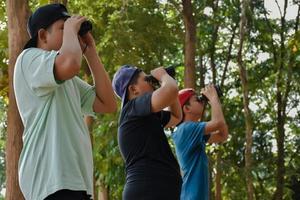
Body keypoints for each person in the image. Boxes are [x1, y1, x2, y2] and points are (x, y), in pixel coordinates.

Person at [14, 3, 117, 200]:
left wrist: (91, 52)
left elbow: (108, 104)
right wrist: (72, 29)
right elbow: (70, 63)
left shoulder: (68, 80)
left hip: (75, 181)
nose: (73, 32)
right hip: (50, 180)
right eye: (64, 27)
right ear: (43, 36)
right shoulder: (29, 58)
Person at [112, 65, 183, 200]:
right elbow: (171, 90)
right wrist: (163, 77)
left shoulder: (146, 114)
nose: (152, 83)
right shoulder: (133, 108)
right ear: (133, 89)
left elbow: (176, 116)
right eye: (147, 80)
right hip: (147, 190)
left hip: (156, 190)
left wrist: (168, 80)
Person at [172, 86, 229, 200]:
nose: (202, 101)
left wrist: (215, 100)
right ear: (186, 108)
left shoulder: (194, 133)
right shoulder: (185, 130)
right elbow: (218, 123)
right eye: (197, 99)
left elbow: (222, 135)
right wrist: (213, 99)